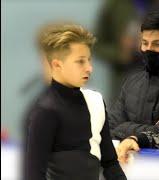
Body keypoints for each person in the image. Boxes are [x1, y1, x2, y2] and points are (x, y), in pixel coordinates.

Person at [23, 23, 126, 180]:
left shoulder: (96, 101)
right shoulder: (45, 111)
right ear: (57, 65)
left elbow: (110, 163)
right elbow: (34, 175)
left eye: (89, 60)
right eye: (80, 61)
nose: (89, 68)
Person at [108, 9, 159, 140]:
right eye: (144, 43)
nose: (148, 49)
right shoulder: (132, 82)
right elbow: (110, 126)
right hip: (127, 158)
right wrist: (149, 129)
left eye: (157, 44)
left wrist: (123, 127)